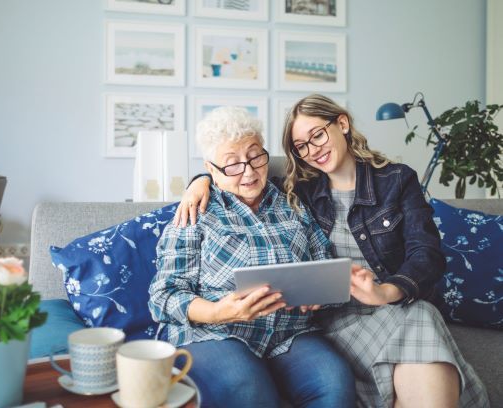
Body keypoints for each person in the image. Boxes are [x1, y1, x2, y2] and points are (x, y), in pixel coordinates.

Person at [175, 95, 489, 408]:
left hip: (393, 303)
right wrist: (200, 181)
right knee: (421, 319)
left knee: (421, 315)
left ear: (342, 123)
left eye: (318, 135)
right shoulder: (299, 189)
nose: (313, 150)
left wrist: (384, 292)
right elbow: (236, 173)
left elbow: (427, 254)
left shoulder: (396, 179)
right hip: (335, 316)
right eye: (301, 145)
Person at [148, 106, 356, 408]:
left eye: (256, 156)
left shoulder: (293, 202)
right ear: (211, 168)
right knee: (248, 388)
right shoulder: (196, 212)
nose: (248, 171)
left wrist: (320, 292)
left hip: (289, 334)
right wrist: (219, 312)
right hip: (214, 334)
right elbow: (163, 295)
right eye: (232, 165)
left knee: (334, 381)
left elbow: (323, 261)